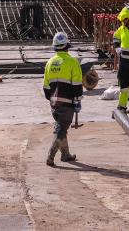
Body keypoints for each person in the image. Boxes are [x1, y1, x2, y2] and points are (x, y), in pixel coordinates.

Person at [42, 31, 83, 167]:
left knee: (61, 126)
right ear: (67, 46)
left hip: (54, 103)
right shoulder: (72, 62)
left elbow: (46, 86)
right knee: (61, 129)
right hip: (68, 102)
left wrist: (52, 99)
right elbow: (77, 83)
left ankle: (65, 154)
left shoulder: (50, 63)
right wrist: (77, 100)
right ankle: (51, 154)